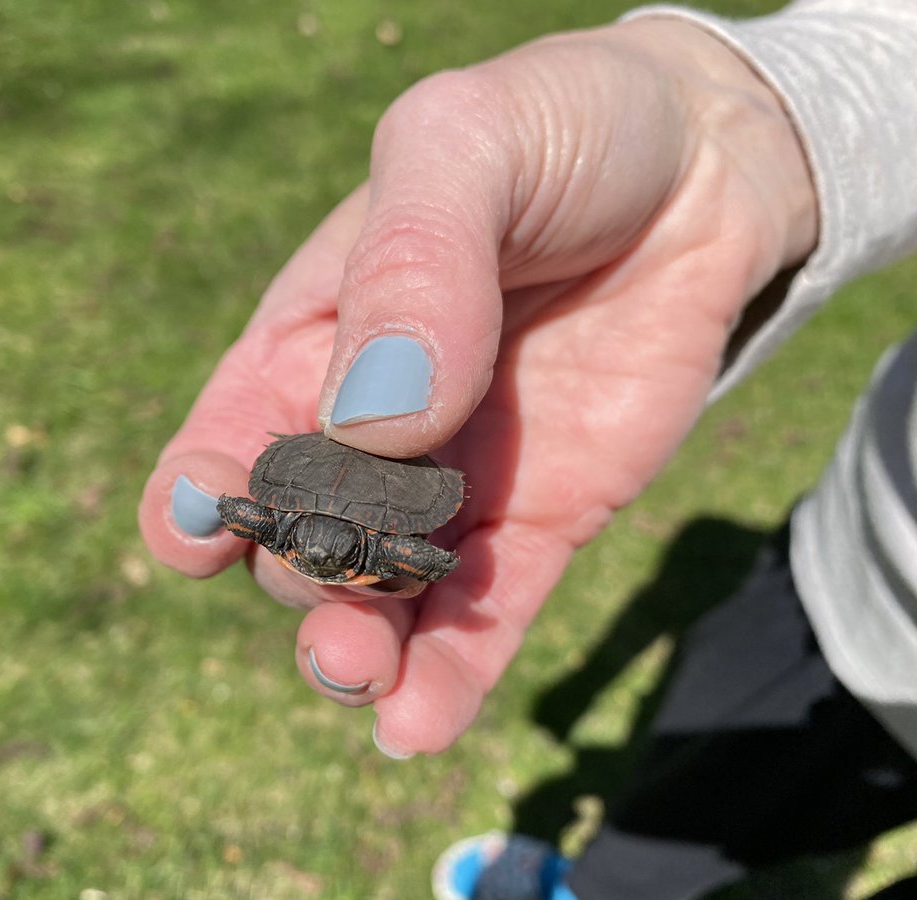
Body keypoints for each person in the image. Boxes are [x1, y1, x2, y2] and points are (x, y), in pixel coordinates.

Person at [138, 0, 917, 896]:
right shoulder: (294, 521)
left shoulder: (369, 545)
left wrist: (406, 558)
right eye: (312, 545)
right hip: (867, 565)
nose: (314, 552)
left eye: (331, 553)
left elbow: (397, 550)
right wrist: (725, 125)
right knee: (688, 801)